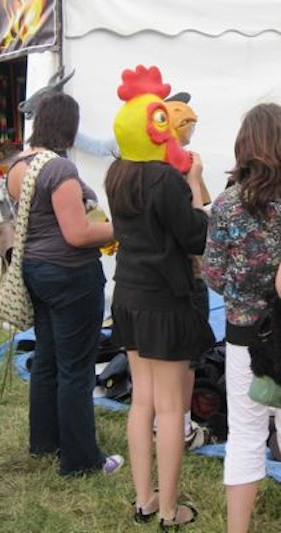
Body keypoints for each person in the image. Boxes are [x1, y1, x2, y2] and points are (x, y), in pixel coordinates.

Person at [105, 65, 213, 529]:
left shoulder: (117, 174)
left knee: (143, 403)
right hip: (165, 302)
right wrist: (192, 180)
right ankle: (169, 511)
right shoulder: (165, 180)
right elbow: (194, 236)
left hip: (128, 296)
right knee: (170, 408)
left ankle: (144, 500)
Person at [6, 92, 124, 476]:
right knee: (76, 368)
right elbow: (77, 233)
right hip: (71, 275)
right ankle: (81, 461)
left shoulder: (18, 165)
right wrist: (124, 227)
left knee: (48, 358)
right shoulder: (59, 170)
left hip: (37, 271)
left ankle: (45, 441)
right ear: (68, 126)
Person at [201, 102, 281, 533]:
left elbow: (212, 273)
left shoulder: (229, 204)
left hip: (244, 333)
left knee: (246, 436)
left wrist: (243, 289)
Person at [166, 95, 213, 449]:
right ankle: (180, 427)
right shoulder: (184, 169)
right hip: (186, 274)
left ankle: (166, 422)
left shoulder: (140, 169)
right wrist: (195, 181)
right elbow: (200, 227)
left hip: (151, 281)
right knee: (187, 357)